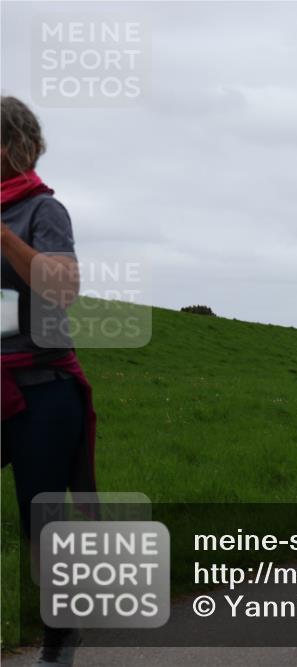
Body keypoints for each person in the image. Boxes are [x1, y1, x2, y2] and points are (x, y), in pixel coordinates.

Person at [1, 95, 98, 667]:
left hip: (41, 386)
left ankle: (59, 633)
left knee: (41, 521)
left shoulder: (42, 210)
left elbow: (61, 289)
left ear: (14, 145)